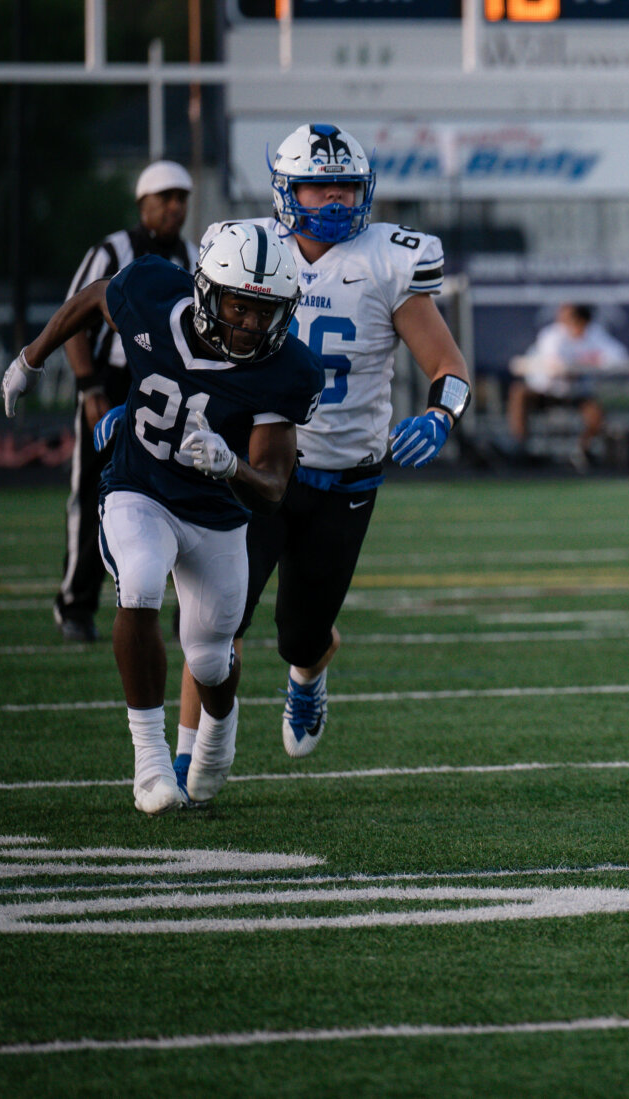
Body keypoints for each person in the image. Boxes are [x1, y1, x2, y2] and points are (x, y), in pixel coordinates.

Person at [172, 123, 471, 776]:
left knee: (301, 636)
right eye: (318, 186)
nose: (334, 200)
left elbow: (447, 363)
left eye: (344, 185)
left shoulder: (388, 258)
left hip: (343, 476)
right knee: (214, 620)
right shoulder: (248, 248)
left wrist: (441, 415)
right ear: (286, 191)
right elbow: (195, 344)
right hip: (254, 464)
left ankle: (307, 676)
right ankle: (187, 759)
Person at [2, 224, 323, 812]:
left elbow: (274, 488)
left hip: (217, 514)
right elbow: (94, 296)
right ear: (206, 292)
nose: (252, 323)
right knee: (142, 581)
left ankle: (218, 741)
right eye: (239, 305)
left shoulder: (287, 369)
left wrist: (233, 468)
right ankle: (149, 762)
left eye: (265, 311)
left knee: (207, 655)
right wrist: (32, 357)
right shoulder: (152, 290)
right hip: (139, 485)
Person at [52, 160, 194, 642]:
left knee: (178, 494)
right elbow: (73, 315)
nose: (175, 207)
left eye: (182, 199)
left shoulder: (195, 256)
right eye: (165, 198)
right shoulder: (113, 250)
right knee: (93, 492)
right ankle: (76, 604)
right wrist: (89, 385)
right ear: (143, 203)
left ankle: (186, 608)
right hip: (109, 383)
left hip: (169, 388)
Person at [506, 302, 629, 467]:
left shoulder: (594, 334)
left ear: (581, 321)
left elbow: (619, 357)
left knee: (595, 414)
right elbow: (556, 365)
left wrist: (588, 362)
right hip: (545, 391)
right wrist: (584, 363)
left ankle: (581, 452)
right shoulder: (553, 335)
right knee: (519, 392)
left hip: (575, 393)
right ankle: (520, 447)